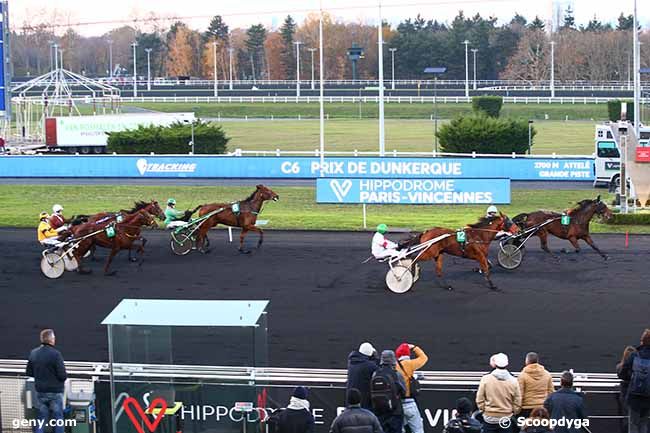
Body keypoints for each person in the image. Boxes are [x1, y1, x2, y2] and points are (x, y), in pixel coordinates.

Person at [25, 329, 67, 433]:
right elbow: (62, 375)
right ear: (52, 340)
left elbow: (29, 372)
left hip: (40, 392)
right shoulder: (56, 354)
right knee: (58, 420)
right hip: (55, 392)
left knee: (40, 419)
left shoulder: (33, 353)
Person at [476, 352, 522, 433]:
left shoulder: (486, 379)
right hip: (506, 419)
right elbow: (518, 401)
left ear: (495, 364)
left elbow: (479, 398)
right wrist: (513, 412)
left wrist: (484, 410)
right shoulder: (514, 381)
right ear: (507, 364)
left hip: (489, 419)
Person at [618, 329, 650, 433]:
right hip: (648, 396)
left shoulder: (635, 355)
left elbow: (622, 373)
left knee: (633, 423)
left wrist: (632, 377)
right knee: (644, 422)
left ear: (642, 341)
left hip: (635, 396)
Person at [395, 343, 428, 433]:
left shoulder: (394, 366)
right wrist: (414, 347)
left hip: (398, 404)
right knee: (418, 429)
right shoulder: (410, 364)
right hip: (410, 402)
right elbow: (424, 358)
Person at [371, 350, 406, 433]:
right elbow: (404, 392)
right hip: (395, 413)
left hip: (379, 412)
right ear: (393, 361)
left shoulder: (375, 374)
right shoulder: (397, 374)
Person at [517, 352, 554, 418]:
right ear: (537, 361)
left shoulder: (522, 376)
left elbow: (520, 395)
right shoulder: (547, 374)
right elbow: (551, 393)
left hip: (526, 409)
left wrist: (517, 410)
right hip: (543, 408)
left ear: (527, 361)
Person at [347, 342, 379, 410]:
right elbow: (378, 369)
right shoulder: (369, 366)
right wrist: (375, 358)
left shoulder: (351, 363)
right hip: (365, 402)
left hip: (351, 401)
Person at [617, 346, 637, 433]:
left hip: (625, 395)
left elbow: (620, 373)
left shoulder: (619, 367)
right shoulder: (637, 369)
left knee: (626, 417)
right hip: (636, 395)